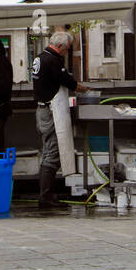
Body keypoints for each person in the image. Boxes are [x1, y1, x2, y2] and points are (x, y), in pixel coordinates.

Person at [33, 29, 88, 208]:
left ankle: (47, 194)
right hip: (50, 111)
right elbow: (64, 79)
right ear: (59, 46)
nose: (66, 52)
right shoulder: (53, 60)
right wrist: (80, 88)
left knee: (49, 150)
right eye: (66, 49)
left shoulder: (40, 57)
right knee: (52, 152)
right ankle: (45, 196)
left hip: (41, 109)